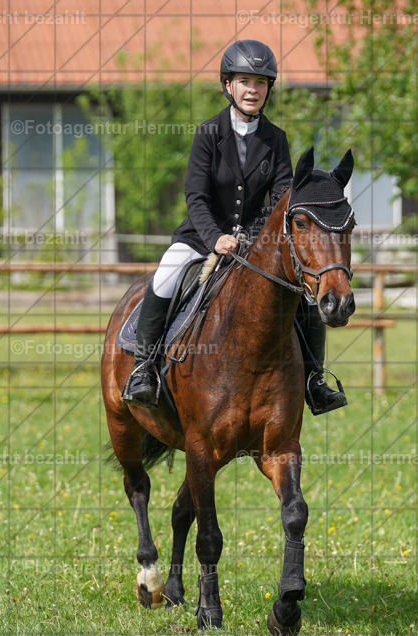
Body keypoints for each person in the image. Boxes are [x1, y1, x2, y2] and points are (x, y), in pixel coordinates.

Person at [122, 39, 348, 415]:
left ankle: (314, 380)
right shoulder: (207, 133)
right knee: (164, 275)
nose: (253, 90)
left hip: (256, 245)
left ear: (268, 89)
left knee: (305, 294)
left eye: (260, 83)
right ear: (228, 85)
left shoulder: (276, 139)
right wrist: (216, 238)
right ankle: (143, 370)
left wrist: (260, 238)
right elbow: (195, 195)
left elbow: (281, 199)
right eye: (245, 81)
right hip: (201, 237)